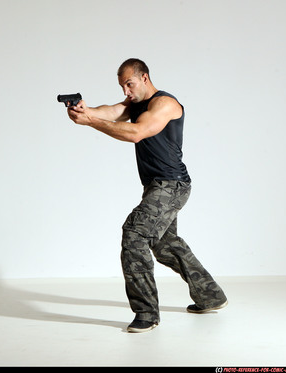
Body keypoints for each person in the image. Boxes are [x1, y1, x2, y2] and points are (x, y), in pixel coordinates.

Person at [67, 58, 227, 333]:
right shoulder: (134, 103)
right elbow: (111, 111)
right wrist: (86, 110)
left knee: (135, 233)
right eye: (122, 86)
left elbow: (137, 133)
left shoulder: (164, 104)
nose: (126, 91)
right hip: (155, 186)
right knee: (166, 245)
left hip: (172, 185)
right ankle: (211, 296)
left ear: (144, 77)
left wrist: (90, 121)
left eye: (129, 84)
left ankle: (146, 313)